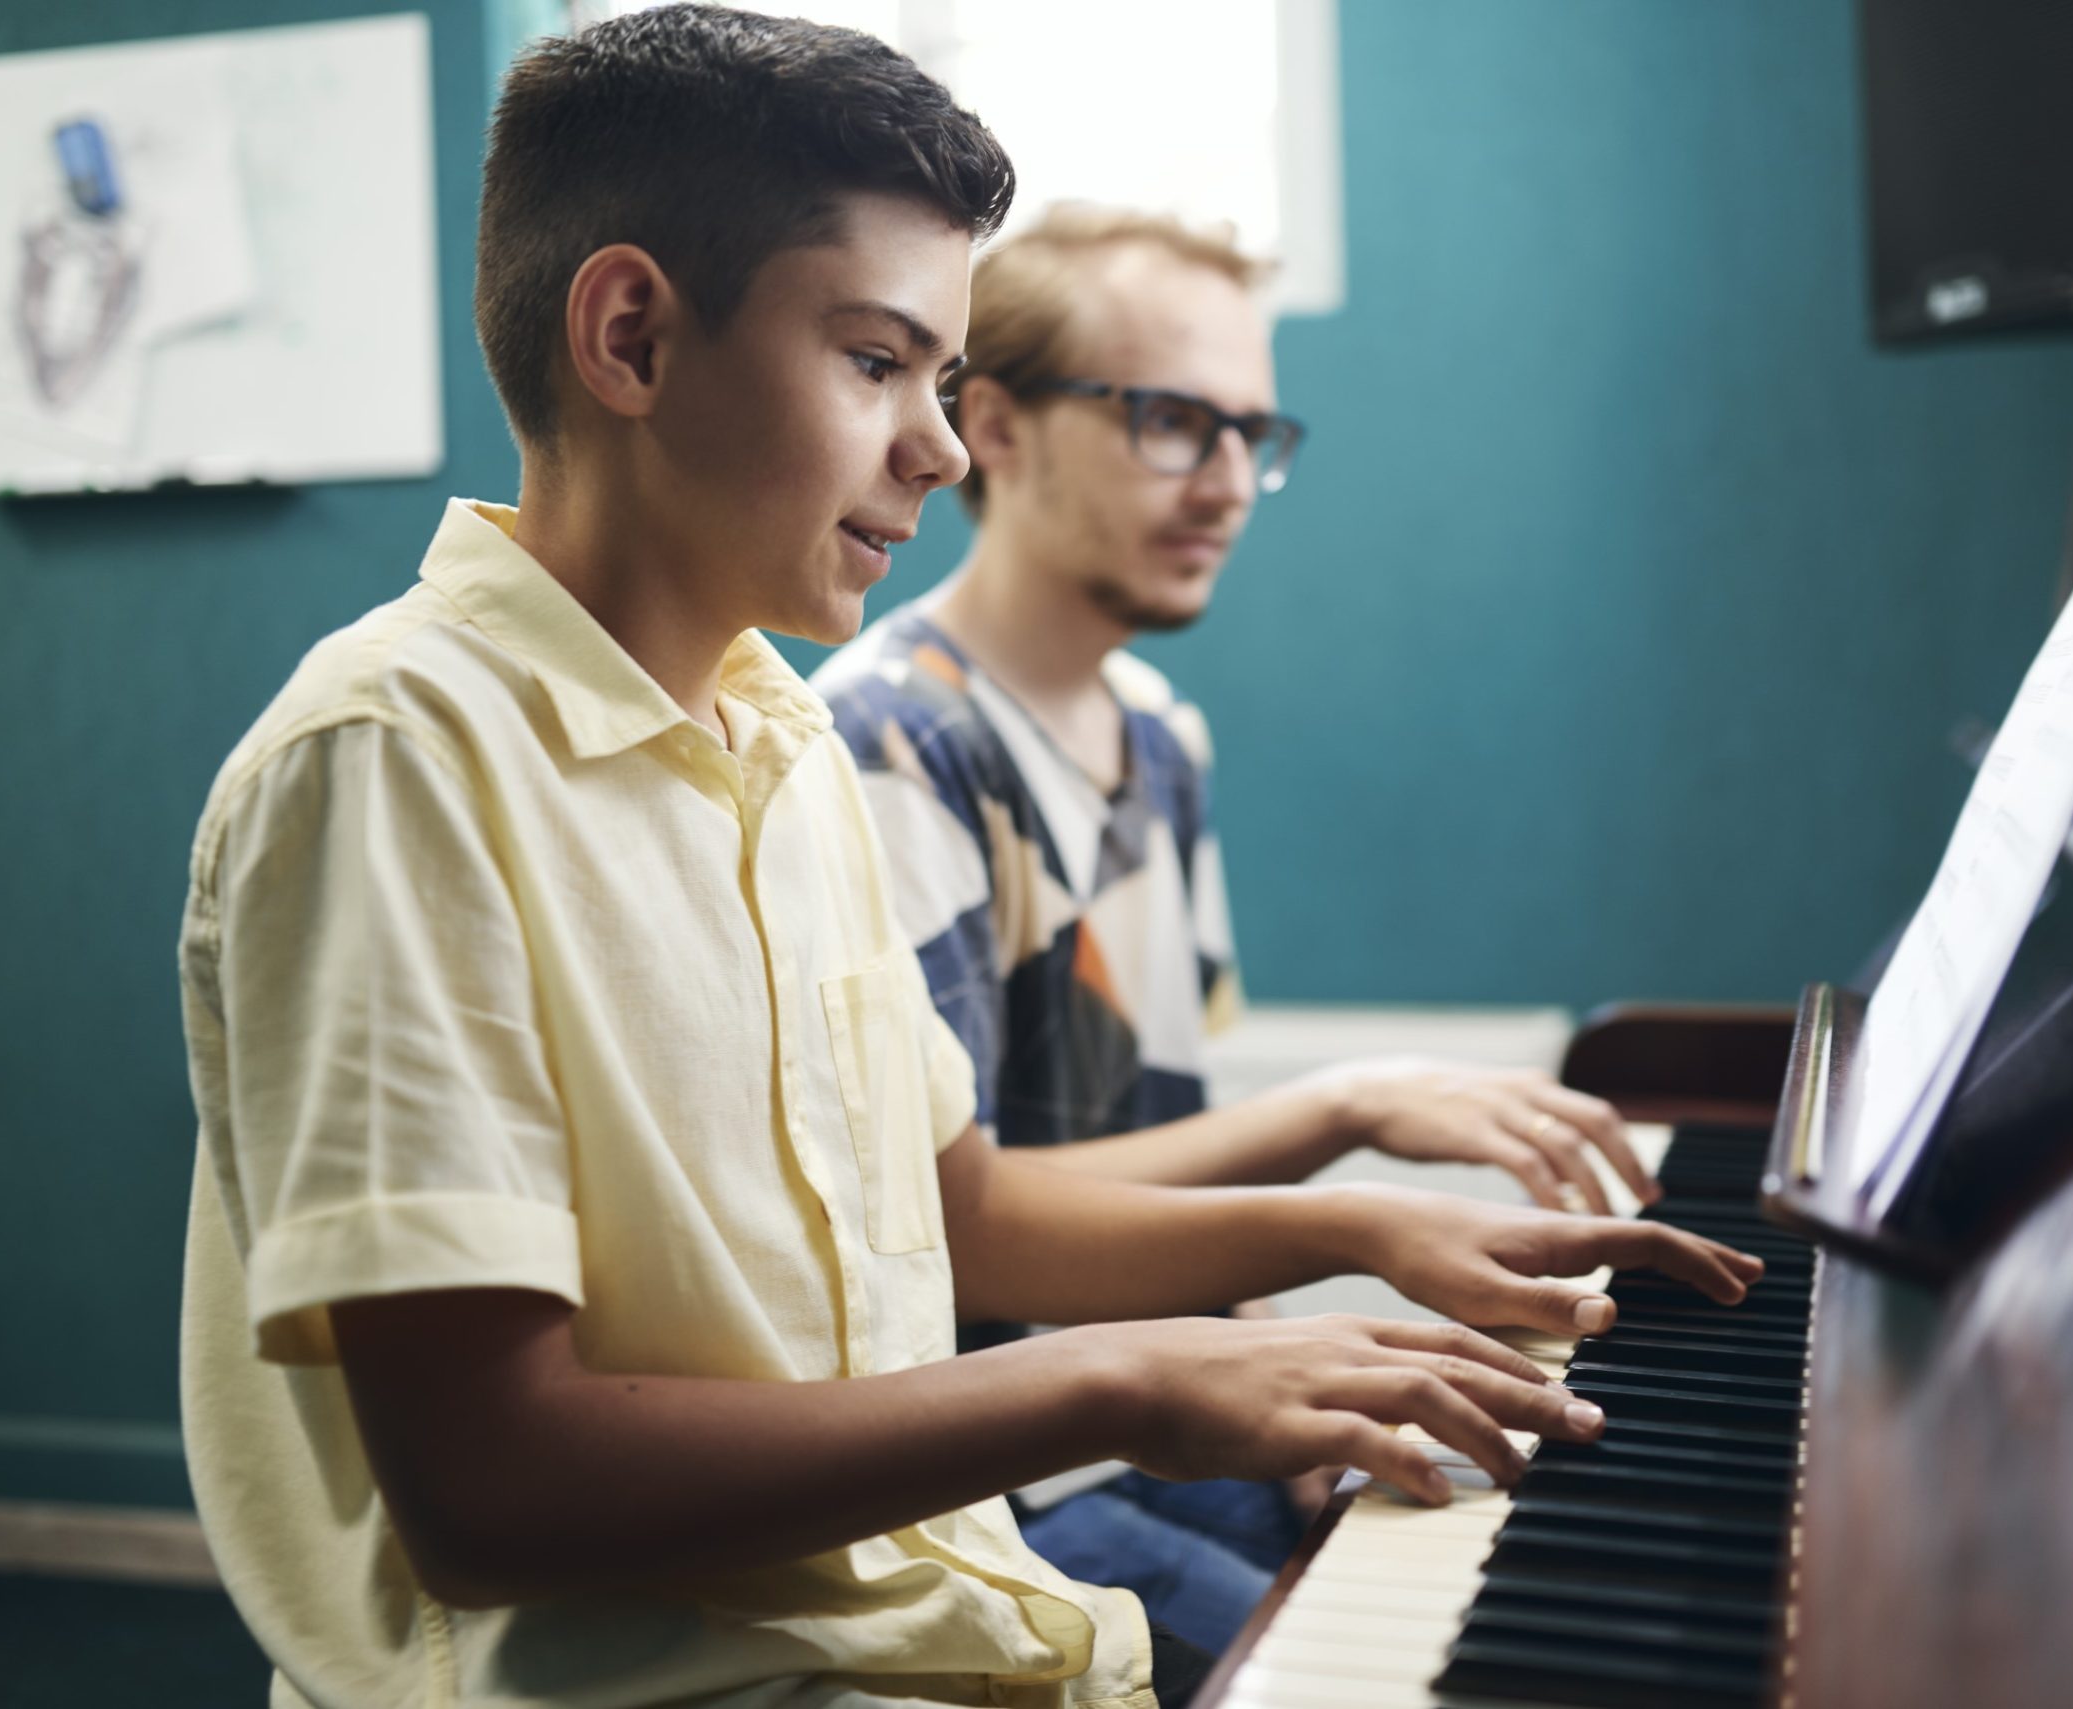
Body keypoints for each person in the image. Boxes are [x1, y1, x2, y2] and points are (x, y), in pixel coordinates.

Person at [175, 12, 1764, 1709]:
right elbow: (494, 1491)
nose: (939, 446)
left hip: (944, 1635)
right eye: (875, 364)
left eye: (940, 379)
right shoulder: (395, 759)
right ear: (630, 334)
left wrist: (1369, 1224)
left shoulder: (779, 747)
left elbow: (969, 1209)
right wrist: (1118, 1385)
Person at [812, 208, 1665, 1647]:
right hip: (999, 1480)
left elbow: (1168, 1141)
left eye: (1250, 435)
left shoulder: (1162, 735)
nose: (1226, 483)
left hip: (1175, 1414)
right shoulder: (893, 742)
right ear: (999, 429)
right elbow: (960, 1231)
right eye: (1170, 422)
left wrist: (1298, 1396)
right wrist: (1346, 1112)